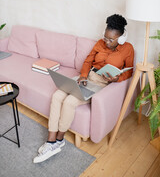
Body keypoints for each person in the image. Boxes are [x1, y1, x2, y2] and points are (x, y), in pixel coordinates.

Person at [33, 14, 134, 163]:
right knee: (57, 96)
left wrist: (117, 78)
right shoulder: (100, 43)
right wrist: (83, 76)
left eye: (111, 39)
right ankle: (51, 141)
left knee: (69, 101)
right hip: (87, 78)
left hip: (102, 84)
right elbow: (88, 60)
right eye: (105, 37)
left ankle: (59, 140)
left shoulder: (128, 49)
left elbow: (129, 72)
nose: (106, 41)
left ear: (121, 38)